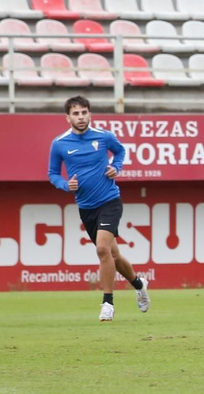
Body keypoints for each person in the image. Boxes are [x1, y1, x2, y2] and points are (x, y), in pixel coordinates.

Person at [46, 95, 149, 322]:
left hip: (110, 201)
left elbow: (119, 152)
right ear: (68, 118)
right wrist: (65, 184)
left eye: (84, 112)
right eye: (76, 113)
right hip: (86, 207)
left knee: (102, 249)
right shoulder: (59, 143)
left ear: (90, 114)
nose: (81, 117)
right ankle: (139, 284)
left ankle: (107, 303)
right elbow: (52, 173)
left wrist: (116, 166)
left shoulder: (103, 136)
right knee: (113, 255)